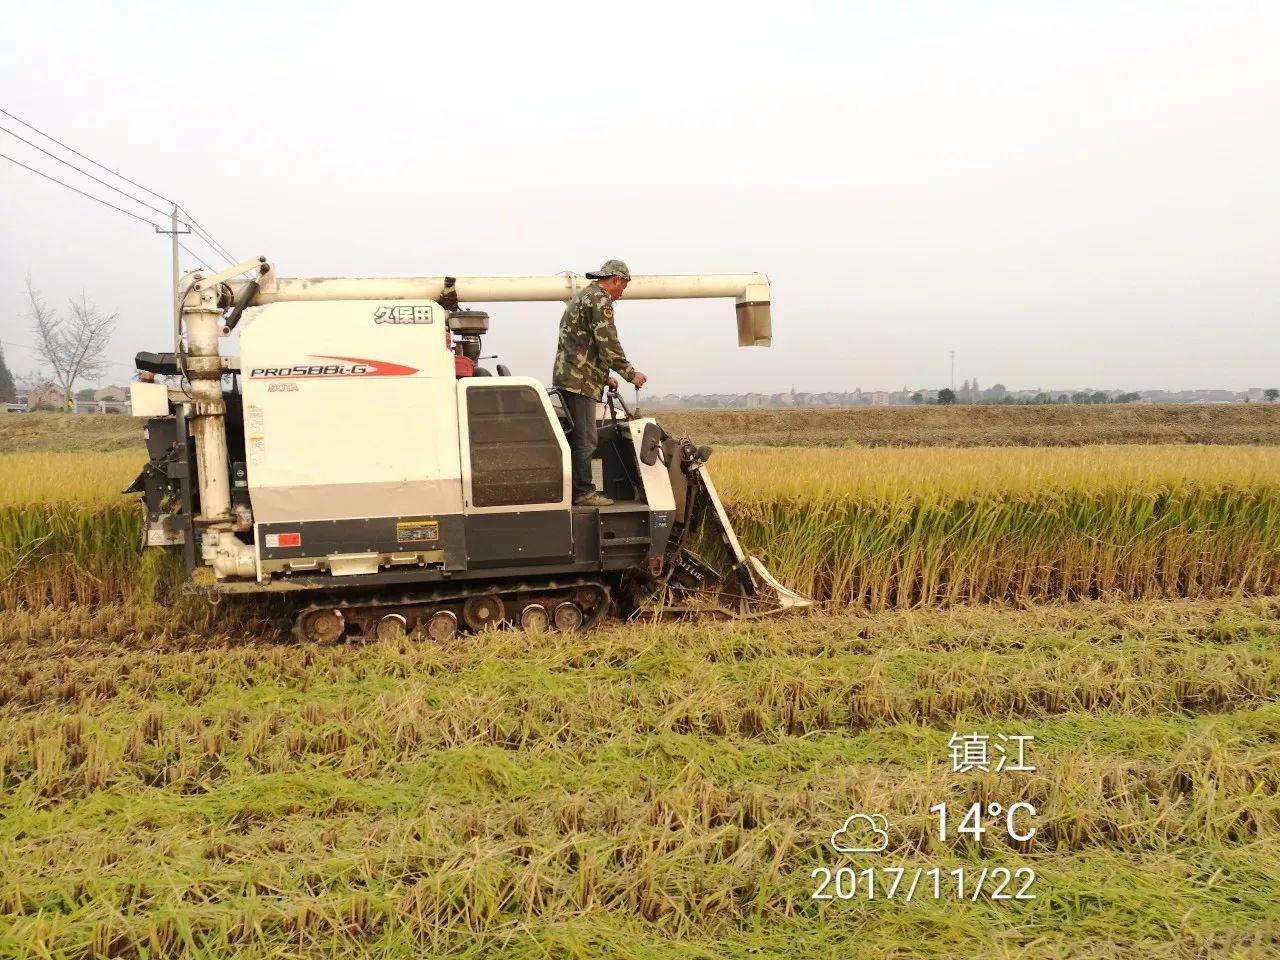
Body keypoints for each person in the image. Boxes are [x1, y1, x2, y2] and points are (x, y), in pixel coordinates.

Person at [553, 259, 647, 506]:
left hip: (571, 376)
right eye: (622, 288)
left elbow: (582, 344)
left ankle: (579, 490)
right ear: (615, 280)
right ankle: (583, 492)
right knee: (586, 439)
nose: (621, 294)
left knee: (580, 437)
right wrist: (630, 373)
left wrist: (605, 377)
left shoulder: (583, 297)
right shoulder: (600, 299)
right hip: (579, 382)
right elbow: (607, 343)